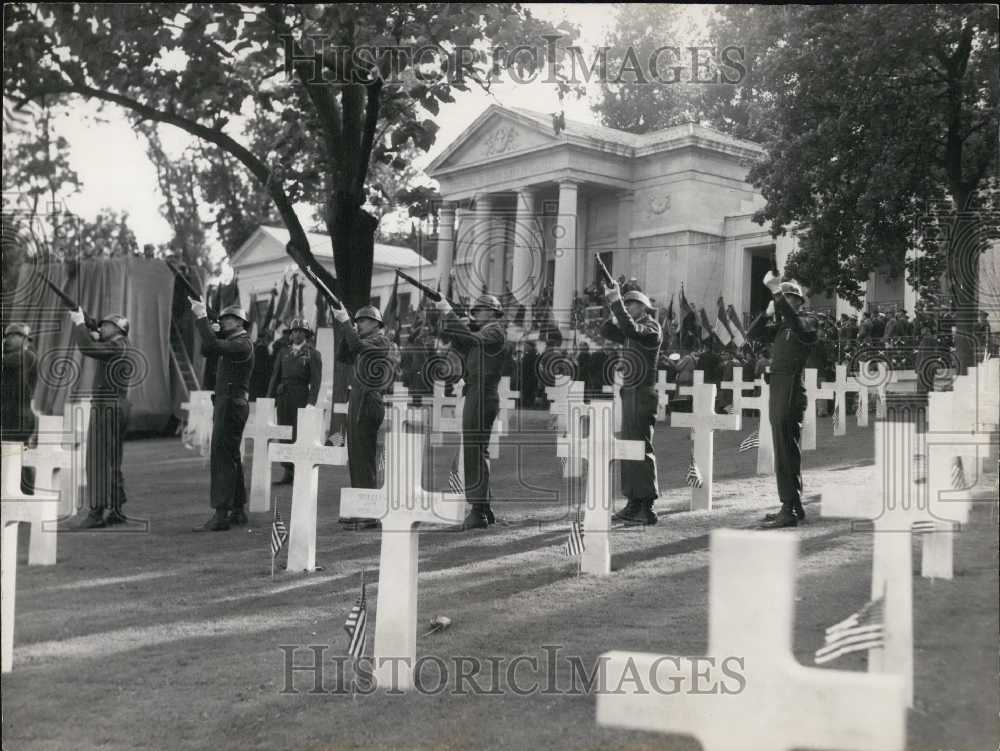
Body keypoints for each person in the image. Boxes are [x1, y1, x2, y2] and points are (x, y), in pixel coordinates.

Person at [746, 275, 818, 528]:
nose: (783, 302)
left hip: (789, 389)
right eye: (782, 297)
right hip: (778, 387)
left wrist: (777, 292)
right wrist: (767, 312)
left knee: (786, 451)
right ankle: (794, 505)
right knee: (785, 449)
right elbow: (751, 334)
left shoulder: (807, 321)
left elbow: (799, 327)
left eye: (789, 298)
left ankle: (788, 508)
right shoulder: (781, 327)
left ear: (799, 301)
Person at [436, 294, 507, 530]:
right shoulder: (483, 333)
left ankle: (478, 511)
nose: (475, 313)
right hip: (476, 391)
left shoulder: (494, 330)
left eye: (480, 310)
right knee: (477, 451)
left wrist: (447, 309)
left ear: (493, 312)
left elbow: (471, 339)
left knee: (474, 452)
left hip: (482, 392)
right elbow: (456, 339)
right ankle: (484, 507)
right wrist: (445, 316)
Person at [600, 284, 663, 525]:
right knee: (628, 448)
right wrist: (613, 307)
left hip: (643, 393)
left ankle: (647, 506)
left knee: (641, 449)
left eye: (631, 304)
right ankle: (633, 501)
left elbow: (631, 329)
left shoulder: (650, 328)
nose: (627, 307)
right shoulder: (631, 329)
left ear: (644, 307)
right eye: (625, 304)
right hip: (630, 392)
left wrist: (617, 302)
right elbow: (606, 329)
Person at [189, 300, 254, 531]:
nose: (223, 322)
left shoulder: (243, 344)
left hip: (231, 404)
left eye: (227, 319)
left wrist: (201, 317)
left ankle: (221, 514)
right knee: (231, 455)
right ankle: (237, 509)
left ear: (238, 322)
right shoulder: (234, 341)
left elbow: (213, 346)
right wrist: (211, 329)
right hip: (230, 403)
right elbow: (207, 349)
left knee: (221, 456)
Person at [68, 309, 134, 528]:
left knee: (97, 458)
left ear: (118, 329)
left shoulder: (117, 345)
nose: (102, 328)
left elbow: (87, 348)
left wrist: (79, 324)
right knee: (112, 459)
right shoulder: (122, 344)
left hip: (107, 405)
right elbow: (95, 344)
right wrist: (89, 327)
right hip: (118, 405)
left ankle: (96, 513)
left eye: (107, 325)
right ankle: (116, 508)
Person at [332, 304, 392, 528]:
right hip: (357, 399)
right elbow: (343, 355)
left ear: (376, 323)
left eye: (363, 321)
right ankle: (359, 509)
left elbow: (357, 346)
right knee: (355, 457)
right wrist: (346, 327)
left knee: (365, 459)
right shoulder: (362, 340)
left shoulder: (381, 341)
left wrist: (346, 323)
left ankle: (370, 514)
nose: (359, 324)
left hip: (369, 400)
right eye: (357, 321)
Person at [268, 319, 322, 485]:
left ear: (306, 334)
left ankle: (299, 471)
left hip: (300, 396)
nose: (296, 334)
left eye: (300, 331)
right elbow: (274, 376)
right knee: (284, 432)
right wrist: (269, 399)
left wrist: (311, 403)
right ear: (290, 334)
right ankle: (287, 470)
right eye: (294, 331)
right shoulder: (283, 352)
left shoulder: (312, 353)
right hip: (284, 395)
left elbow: (316, 381)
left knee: (298, 433)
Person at [1, 323, 38, 493]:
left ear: (23, 339)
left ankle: (27, 495)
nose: (7, 339)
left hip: (18, 417)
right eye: (7, 336)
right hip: (11, 415)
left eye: (13, 336)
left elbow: (11, 361)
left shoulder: (27, 356)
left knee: (18, 459)